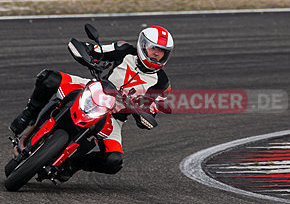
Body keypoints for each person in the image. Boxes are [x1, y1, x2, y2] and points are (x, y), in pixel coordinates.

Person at [9, 26, 174, 180]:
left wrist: (142, 116)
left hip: (114, 117)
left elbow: (152, 111)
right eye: (154, 48)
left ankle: (73, 164)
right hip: (94, 89)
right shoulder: (124, 50)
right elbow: (93, 50)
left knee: (114, 161)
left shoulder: (162, 83)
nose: (156, 54)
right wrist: (86, 53)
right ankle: (28, 115)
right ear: (143, 45)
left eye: (162, 52)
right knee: (48, 78)